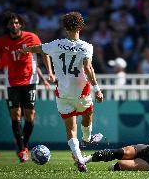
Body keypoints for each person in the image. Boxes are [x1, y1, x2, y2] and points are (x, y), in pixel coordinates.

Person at [17, 11, 104, 172]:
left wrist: (24, 50)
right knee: (88, 114)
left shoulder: (55, 45)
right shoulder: (86, 47)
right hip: (81, 92)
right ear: (81, 27)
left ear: (65, 28)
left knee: (70, 129)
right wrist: (97, 89)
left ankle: (79, 159)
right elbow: (88, 67)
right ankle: (87, 138)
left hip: (63, 93)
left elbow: (38, 49)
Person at [0, 12, 54, 163]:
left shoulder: (31, 37)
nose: (14, 25)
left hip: (29, 81)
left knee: (30, 115)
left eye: (16, 22)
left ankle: (24, 146)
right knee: (15, 115)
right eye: (11, 23)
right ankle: (21, 149)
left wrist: (50, 73)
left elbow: (43, 53)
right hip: (12, 82)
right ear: (7, 26)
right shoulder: (2, 42)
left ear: (20, 24)